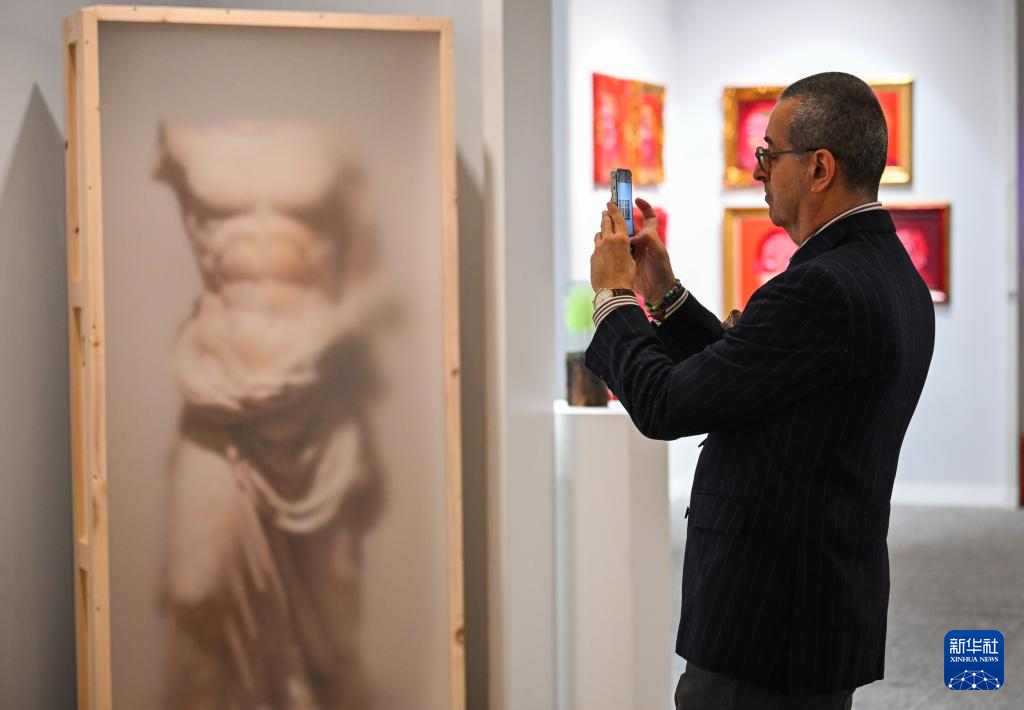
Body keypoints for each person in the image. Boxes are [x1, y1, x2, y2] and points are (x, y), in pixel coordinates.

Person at [586, 72, 935, 710]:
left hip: (766, 626)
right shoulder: (888, 274)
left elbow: (665, 404)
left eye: (769, 155)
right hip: (815, 607)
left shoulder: (822, 288)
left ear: (820, 168)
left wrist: (612, 297)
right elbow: (748, 378)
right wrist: (662, 293)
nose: (758, 171)